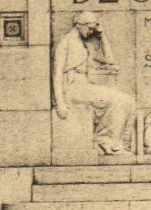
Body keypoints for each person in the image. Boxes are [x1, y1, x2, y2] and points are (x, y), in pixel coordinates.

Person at [52, 11, 136, 155]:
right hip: (72, 89)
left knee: (128, 100)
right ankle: (105, 141)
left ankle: (116, 142)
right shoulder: (65, 41)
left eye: (93, 29)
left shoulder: (84, 44)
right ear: (79, 25)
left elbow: (110, 60)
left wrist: (102, 36)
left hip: (83, 87)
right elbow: (57, 73)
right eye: (89, 28)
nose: (91, 32)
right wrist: (60, 103)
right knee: (119, 100)